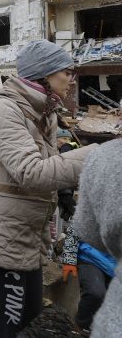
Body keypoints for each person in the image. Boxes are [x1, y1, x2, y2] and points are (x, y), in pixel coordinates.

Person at [0, 39, 97, 338]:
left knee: (25, 317)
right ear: (44, 74)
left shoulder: (43, 112)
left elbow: (49, 166)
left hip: (24, 234)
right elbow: (30, 172)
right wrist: (98, 156)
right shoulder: (3, 109)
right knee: (3, 325)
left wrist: (65, 193)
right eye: (66, 71)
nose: (72, 78)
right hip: (2, 234)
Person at [73, 139, 122, 337]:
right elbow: (75, 230)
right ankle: (80, 326)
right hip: (90, 258)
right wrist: (69, 261)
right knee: (95, 293)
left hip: (112, 264)